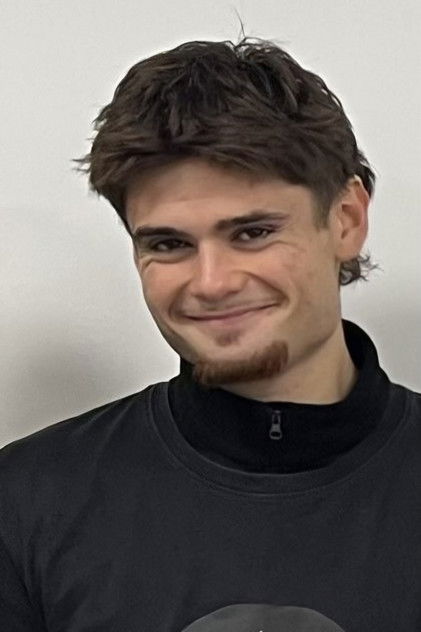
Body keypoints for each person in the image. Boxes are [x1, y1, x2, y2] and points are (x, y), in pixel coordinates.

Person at [0, 32, 420, 632]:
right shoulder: (25, 504)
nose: (213, 282)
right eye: (169, 244)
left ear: (347, 220)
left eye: (252, 233)